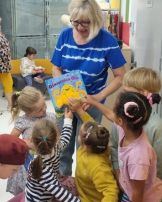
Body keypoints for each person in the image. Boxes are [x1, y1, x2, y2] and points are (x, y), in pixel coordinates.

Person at [51, 0, 126, 175]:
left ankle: (82, 189)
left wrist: (98, 98)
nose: (79, 27)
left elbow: (120, 76)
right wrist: (62, 89)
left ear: (95, 20)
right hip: (66, 102)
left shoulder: (107, 40)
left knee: (86, 149)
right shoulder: (65, 35)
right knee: (63, 148)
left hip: (90, 104)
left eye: (85, 23)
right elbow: (56, 67)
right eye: (75, 22)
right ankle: (64, 186)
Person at [83, 92, 162, 202]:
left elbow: (138, 192)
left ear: (121, 121)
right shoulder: (128, 128)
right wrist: (94, 102)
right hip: (132, 191)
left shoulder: (138, 157)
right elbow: (109, 114)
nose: (112, 112)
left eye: (114, 109)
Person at [1, 111, 88, 202]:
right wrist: (68, 120)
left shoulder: (41, 167)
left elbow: (59, 191)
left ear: (31, 139)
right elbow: (65, 138)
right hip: (28, 193)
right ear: (55, 139)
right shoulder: (56, 146)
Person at [110, 67, 162, 182]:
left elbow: (158, 166)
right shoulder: (120, 118)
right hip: (123, 184)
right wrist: (117, 172)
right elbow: (114, 146)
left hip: (146, 189)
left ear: (144, 93)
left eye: (127, 92)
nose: (123, 97)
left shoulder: (156, 127)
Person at [6, 86, 59, 195]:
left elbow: (58, 136)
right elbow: (11, 140)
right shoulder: (23, 121)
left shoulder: (52, 117)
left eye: (44, 104)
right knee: (29, 186)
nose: (44, 109)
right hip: (29, 161)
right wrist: (25, 143)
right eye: (40, 110)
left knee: (46, 186)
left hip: (48, 158)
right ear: (28, 112)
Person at [75, 121, 119, 202]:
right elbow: (92, 128)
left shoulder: (99, 168)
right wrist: (80, 111)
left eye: (79, 135)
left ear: (86, 147)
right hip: (82, 189)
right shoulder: (95, 143)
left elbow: (111, 192)